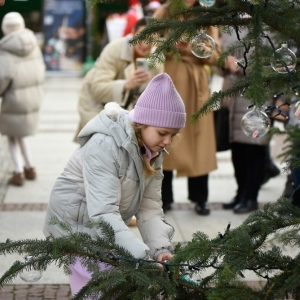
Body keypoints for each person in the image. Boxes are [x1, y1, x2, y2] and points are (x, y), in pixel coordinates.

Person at [43, 73, 186, 296]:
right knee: (102, 290)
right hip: (76, 225)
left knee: (111, 289)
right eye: (163, 133)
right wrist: (139, 256)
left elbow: (150, 209)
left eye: (173, 134)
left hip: (105, 229)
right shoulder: (104, 145)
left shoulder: (154, 151)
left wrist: (160, 250)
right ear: (142, 123)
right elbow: (103, 212)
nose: (168, 141)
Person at [153, 0, 221, 215]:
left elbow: (215, 56)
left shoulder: (207, 16)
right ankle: (165, 197)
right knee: (165, 137)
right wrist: (171, 45)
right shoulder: (164, 12)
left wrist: (200, 49)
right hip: (170, 78)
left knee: (200, 143)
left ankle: (200, 197)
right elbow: (149, 42)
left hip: (196, 84)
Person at [74, 17, 163, 140]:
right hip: (95, 103)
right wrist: (127, 84)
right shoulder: (115, 49)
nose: (145, 44)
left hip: (127, 111)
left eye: (151, 39)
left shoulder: (157, 59)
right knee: (100, 147)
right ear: (132, 33)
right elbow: (98, 88)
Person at [0, 12, 45, 186]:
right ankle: (30, 167)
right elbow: (41, 67)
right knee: (21, 134)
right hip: (32, 96)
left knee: (12, 136)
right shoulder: (33, 43)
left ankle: (18, 171)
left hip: (14, 98)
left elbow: (3, 77)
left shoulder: (5, 49)